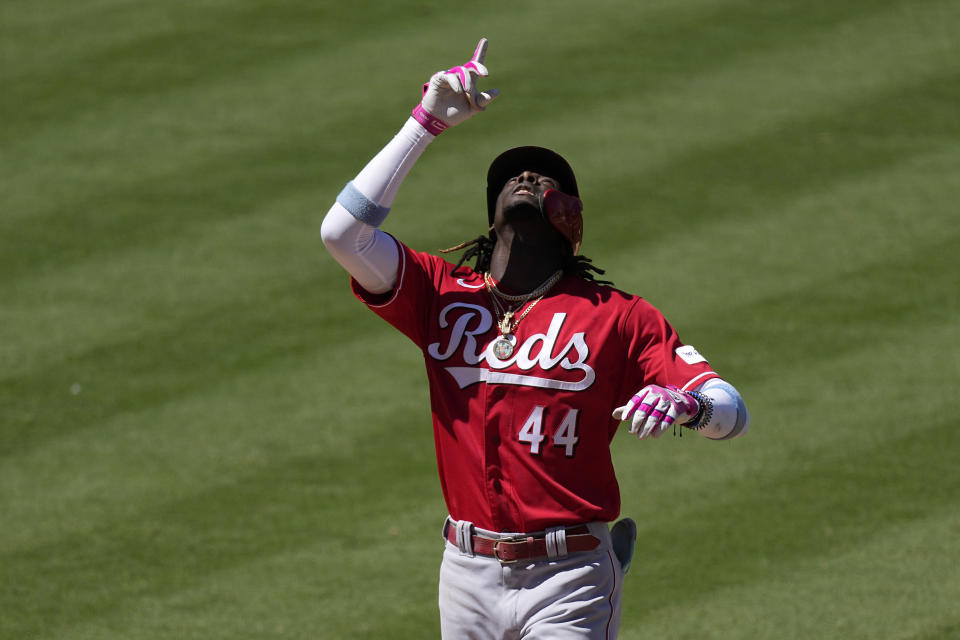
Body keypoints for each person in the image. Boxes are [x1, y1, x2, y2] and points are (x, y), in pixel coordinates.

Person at [321, 38, 749, 640]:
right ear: (491, 211)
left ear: (570, 214)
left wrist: (691, 404)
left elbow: (733, 413)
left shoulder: (616, 315)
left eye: (544, 178)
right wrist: (425, 124)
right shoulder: (441, 293)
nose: (523, 177)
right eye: (510, 178)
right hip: (464, 573)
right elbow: (343, 233)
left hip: (569, 575)